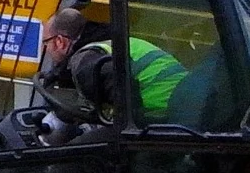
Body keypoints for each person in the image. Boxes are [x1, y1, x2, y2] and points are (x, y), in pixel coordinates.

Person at [40, 7, 188, 125]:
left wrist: (126, 124)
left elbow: (124, 97)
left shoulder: (84, 60)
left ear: (60, 41)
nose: (44, 50)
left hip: (161, 116)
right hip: (184, 105)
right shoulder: (112, 42)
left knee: (75, 156)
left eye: (46, 43)